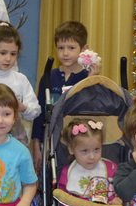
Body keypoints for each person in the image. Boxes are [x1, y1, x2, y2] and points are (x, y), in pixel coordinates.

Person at [32, 21, 93, 163]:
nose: (65, 53)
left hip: (79, 143)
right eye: (60, 48)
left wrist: (92, 78)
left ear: (84, 49)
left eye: (71, 48)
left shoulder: (88, 78)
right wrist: (36, 143)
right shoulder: (49, 76)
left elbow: (91, 108)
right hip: (52, 144)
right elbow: (39, 112)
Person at [0, 22, 39, 143]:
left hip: (17, 140)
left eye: (13, 54)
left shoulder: (21, 79)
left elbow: (35, 111)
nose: (8, 58)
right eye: (3, 53)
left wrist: (22, 107)